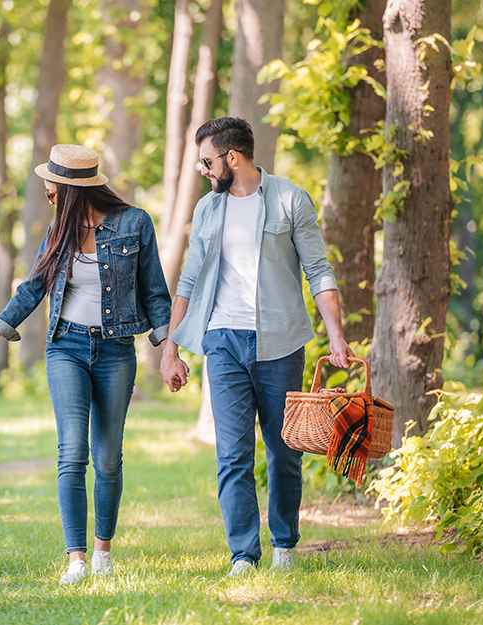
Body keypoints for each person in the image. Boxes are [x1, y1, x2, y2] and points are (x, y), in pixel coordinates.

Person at [0, 144, 172, 584]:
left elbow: (155, 293)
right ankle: (76, 559)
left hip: (116, 350)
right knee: (72, 452)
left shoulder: (134, 224)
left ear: (73, 190)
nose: (49, 197)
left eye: (52, 190)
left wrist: (169, 351)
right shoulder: (59, 232)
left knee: (108, 458)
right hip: (66, 348)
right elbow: (31, 290)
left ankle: (102, 554)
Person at [158, 117, 353, 577]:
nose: (204, 170)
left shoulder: (290, 199)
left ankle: (284, 543)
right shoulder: (208, 209)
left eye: (207, 161)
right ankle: (243, 554)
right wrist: (171, 348)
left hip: (280, 342)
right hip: (222, 340)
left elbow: (318, 271)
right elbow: (188, 279)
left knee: (284, 451)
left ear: (232, 157)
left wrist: (337, 336)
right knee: (232, 455)